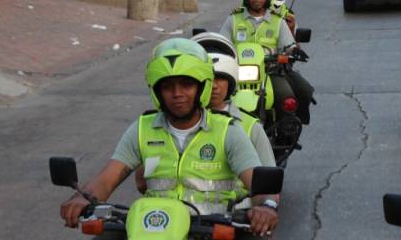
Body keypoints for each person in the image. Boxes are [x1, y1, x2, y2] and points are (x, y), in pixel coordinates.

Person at [59, 39, 279, 235]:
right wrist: (82, 197)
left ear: (202, 86)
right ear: (157, 91)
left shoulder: (228, 131)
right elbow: (107, 179)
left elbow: (259, 185)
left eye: (186, 84)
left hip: (210, 228)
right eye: (167, 86)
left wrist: (266, 206)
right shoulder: (142, 128)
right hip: (152, 226)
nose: (177, 94)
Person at [135, 33, 277, 207]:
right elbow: (142, 182)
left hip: (229, 217)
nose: (214, 86)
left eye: (220, 78)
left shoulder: (242, 127)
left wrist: (264, 207)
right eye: (209, 79)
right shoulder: (153, 125)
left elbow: (268, 187)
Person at [220, 0, 314, 125]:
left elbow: (289, 45)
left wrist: (294, 51)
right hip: (237, 73)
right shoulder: (233, 20)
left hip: (271, 72)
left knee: (291, 95)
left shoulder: (278, 21)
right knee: (214, 95)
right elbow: (221, 44)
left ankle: (287, 130)